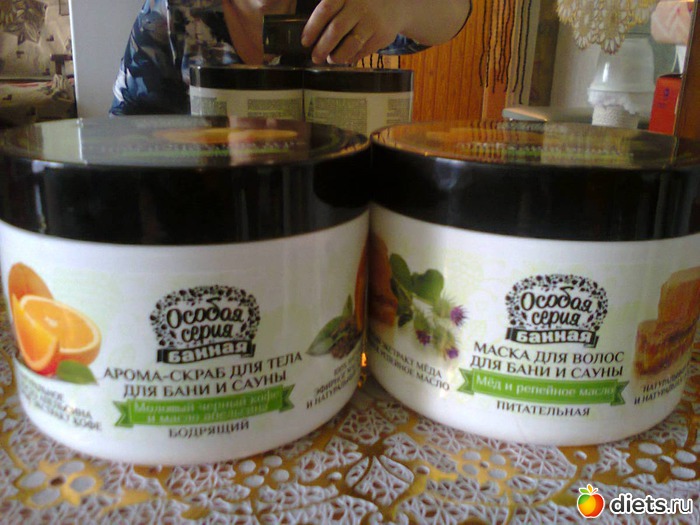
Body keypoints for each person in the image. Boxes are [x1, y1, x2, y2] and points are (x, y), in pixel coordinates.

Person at [110, 0, 471, 115]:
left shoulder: (336, 4)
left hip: (320, 210)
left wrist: (398, 7)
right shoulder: (170, 12)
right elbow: (123, 143)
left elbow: (455, 15)